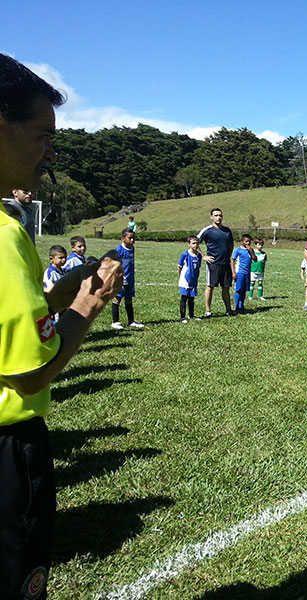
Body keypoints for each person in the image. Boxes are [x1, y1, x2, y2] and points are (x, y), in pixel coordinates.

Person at [0, 53, 122, 600]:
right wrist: (90, 304)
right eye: (42, 135)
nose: (51, 153)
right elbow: (28, 373)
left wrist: (54, 296)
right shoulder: (2, 235)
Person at [198, 208, 235, 317]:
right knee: (210, 286)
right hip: (213, 264)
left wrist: (229, 255)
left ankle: (229, 310)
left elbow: (231, 243)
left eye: (220, 215)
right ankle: (208, 310)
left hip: (225, 263)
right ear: (211, 217)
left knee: (226, 287)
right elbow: (194, 242)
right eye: (216, 215)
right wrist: (203, 256)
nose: (218, 217)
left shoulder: (227, 230)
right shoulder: (207, 230)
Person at [111, 228, 143, 330]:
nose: (132, 240)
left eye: (134, 238)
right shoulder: (119, 250)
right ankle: (115, 322)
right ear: (123, 238)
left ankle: (131, 321)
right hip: (121, 279)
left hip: (130, 278)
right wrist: (118, 277)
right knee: (117, 298)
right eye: (130, 238)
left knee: (129, 298)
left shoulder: (132, 248)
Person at [178, 235, 202, 323]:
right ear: (189, 244)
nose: (195, 245)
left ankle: (191, 315)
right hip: (185, 281)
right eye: (193, 243)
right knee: (184, 298)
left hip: (193, 280)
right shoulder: (185, 255)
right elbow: (179, 267)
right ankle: (182, 317)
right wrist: (181, 277)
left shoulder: (198, 256)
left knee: (192, 298)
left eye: (197, 243)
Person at [231, 234, 256, 313]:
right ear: (242, 242)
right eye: (246, 241)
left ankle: (242, 306)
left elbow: (255, 259)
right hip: (240, 273)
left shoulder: (250, 250)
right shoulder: (238, 250)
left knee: (244, 290)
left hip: (247, 273)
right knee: (238, 289)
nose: (248, 243)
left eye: (249, 242)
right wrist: (233, 272)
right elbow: (232, 260)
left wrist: (251, 251)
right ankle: (237, 307)